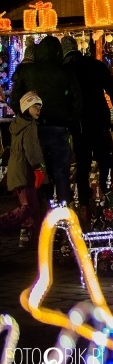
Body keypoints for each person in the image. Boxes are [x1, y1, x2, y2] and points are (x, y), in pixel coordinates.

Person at [61, 36, 113, 223]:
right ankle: (108, 197)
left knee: (82, 164)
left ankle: (84, 204)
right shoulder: (94, 65)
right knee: (105, 160)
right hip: (99, 121)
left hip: (79, 125)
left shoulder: (65, 70)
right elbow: (112, 90)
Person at [11, 35, 81, 206]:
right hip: (59, 128)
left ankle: (42, 211)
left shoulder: (27, 71)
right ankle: (64, 214)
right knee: (61, 172)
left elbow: (15, 100)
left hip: (35, 129)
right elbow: (77, 100)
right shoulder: (65, 71)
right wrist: (71, 120)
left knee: (38, 172)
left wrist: (27, 117)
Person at [2, 91, 48, 247]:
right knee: (29, 206)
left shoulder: (18, 125)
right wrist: (38, 169)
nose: (38, 110)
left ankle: (30, 238)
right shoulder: (29, 126)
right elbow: (32, 149)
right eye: (35, 106)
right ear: (26, 108)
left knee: (32, 206)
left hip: (18, 169)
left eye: (39, 107)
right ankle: (3, 222)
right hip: (24, 170)